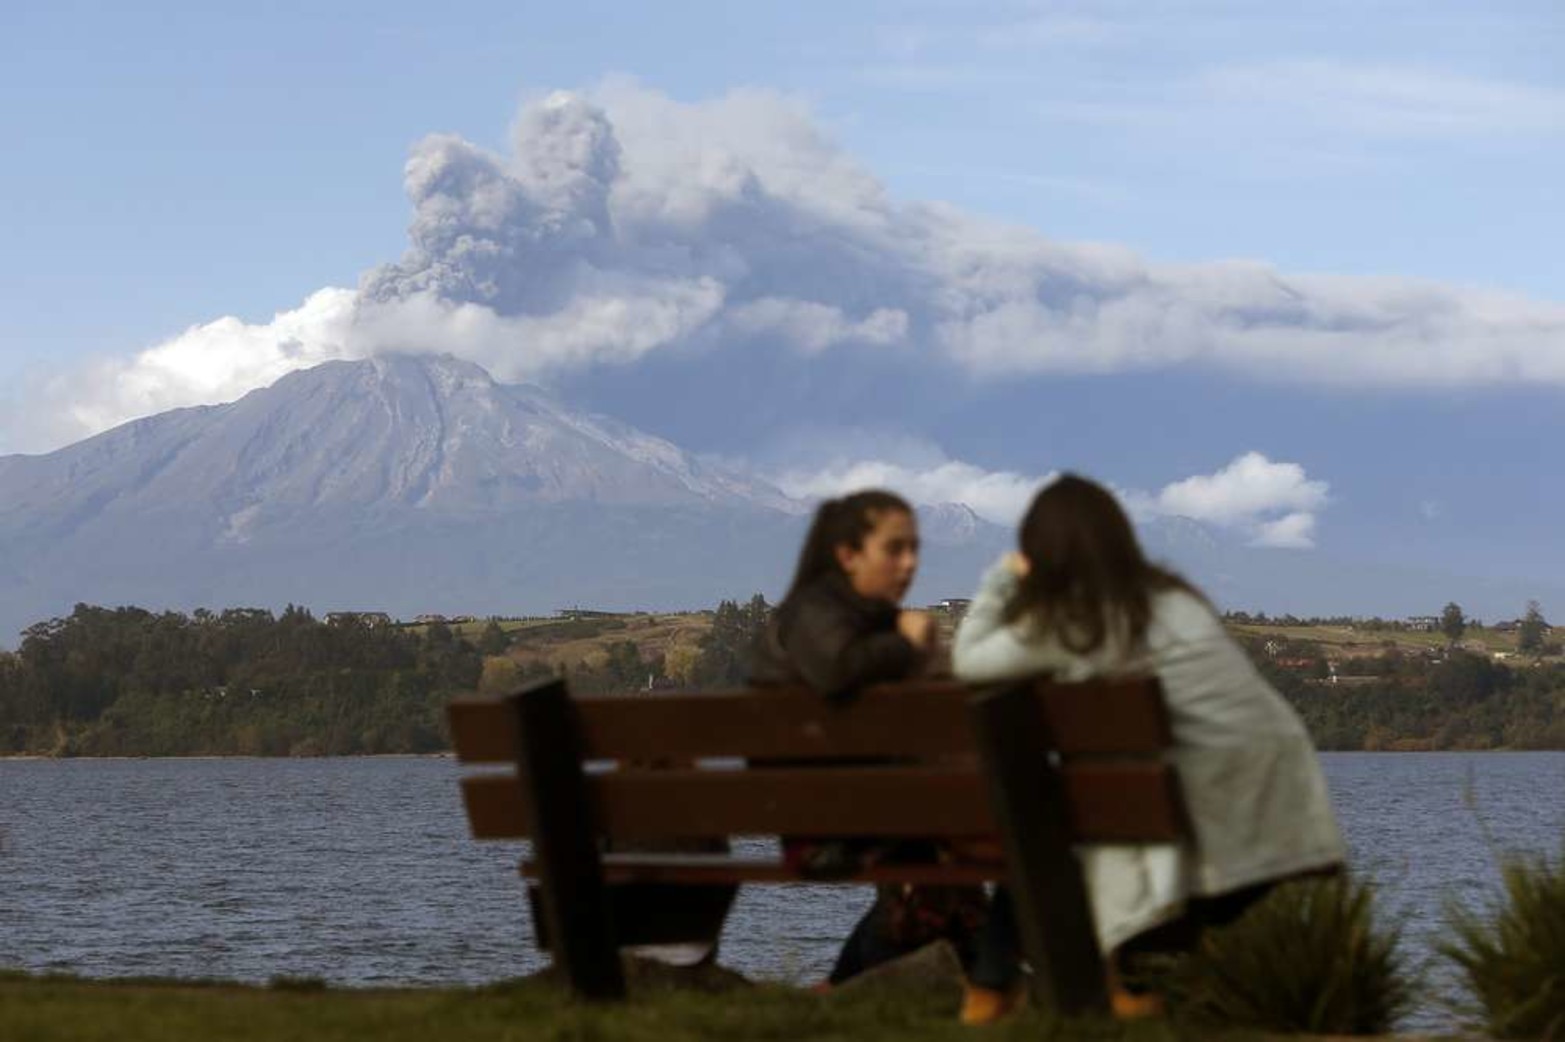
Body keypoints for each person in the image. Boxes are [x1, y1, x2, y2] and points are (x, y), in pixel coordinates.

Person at [952, 474, 1346, 1024]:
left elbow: (970, 660)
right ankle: (1128, 984)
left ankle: (997, 987)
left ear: (1042, 553)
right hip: (1277, 792)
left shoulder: (1071, 614)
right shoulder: (1171, 599)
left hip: (1186, 802)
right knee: (1058, 821)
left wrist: (1001, 579)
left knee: (1040, 822)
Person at [750, 490, 987, 986]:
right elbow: (837, 670)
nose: (910, 564)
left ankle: (841, 989)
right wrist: (906, 643)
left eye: (915, 550)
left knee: (939, 872)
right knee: (956, 860)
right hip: (830, 826)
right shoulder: (815, 613)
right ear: (847, 554)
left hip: (866, 811)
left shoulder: (854, 618)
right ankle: (995, 980)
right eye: (895, 549)